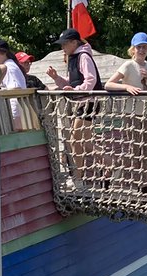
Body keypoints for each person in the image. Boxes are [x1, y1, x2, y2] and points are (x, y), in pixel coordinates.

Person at [47, 29, 100, 180]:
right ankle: (105, 167)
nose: (62, 47)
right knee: (82, 142)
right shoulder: (73, 58)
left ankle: (78, 177)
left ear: (74, 42)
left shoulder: (83, 56)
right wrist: (57, 78)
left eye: (64, 44)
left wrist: (76, 90)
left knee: (75, 140)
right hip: (83, 102)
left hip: (89, 102)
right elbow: (70, 83)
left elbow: (91, 80)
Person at [0, 38, 26, 127]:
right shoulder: (8, 65)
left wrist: (15, 121)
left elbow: (15, 93)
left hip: (15, 118)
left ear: (4, 52)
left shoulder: (9, 68)